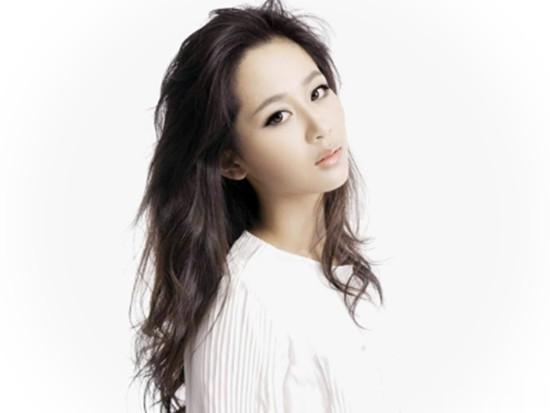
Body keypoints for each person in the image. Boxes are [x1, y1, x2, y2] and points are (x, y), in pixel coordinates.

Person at [130, 0, 392, 412]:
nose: (319, 126)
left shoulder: (328, 274)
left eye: (317, 92)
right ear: (231, 161)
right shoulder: (247, 303)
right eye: (278, 116)